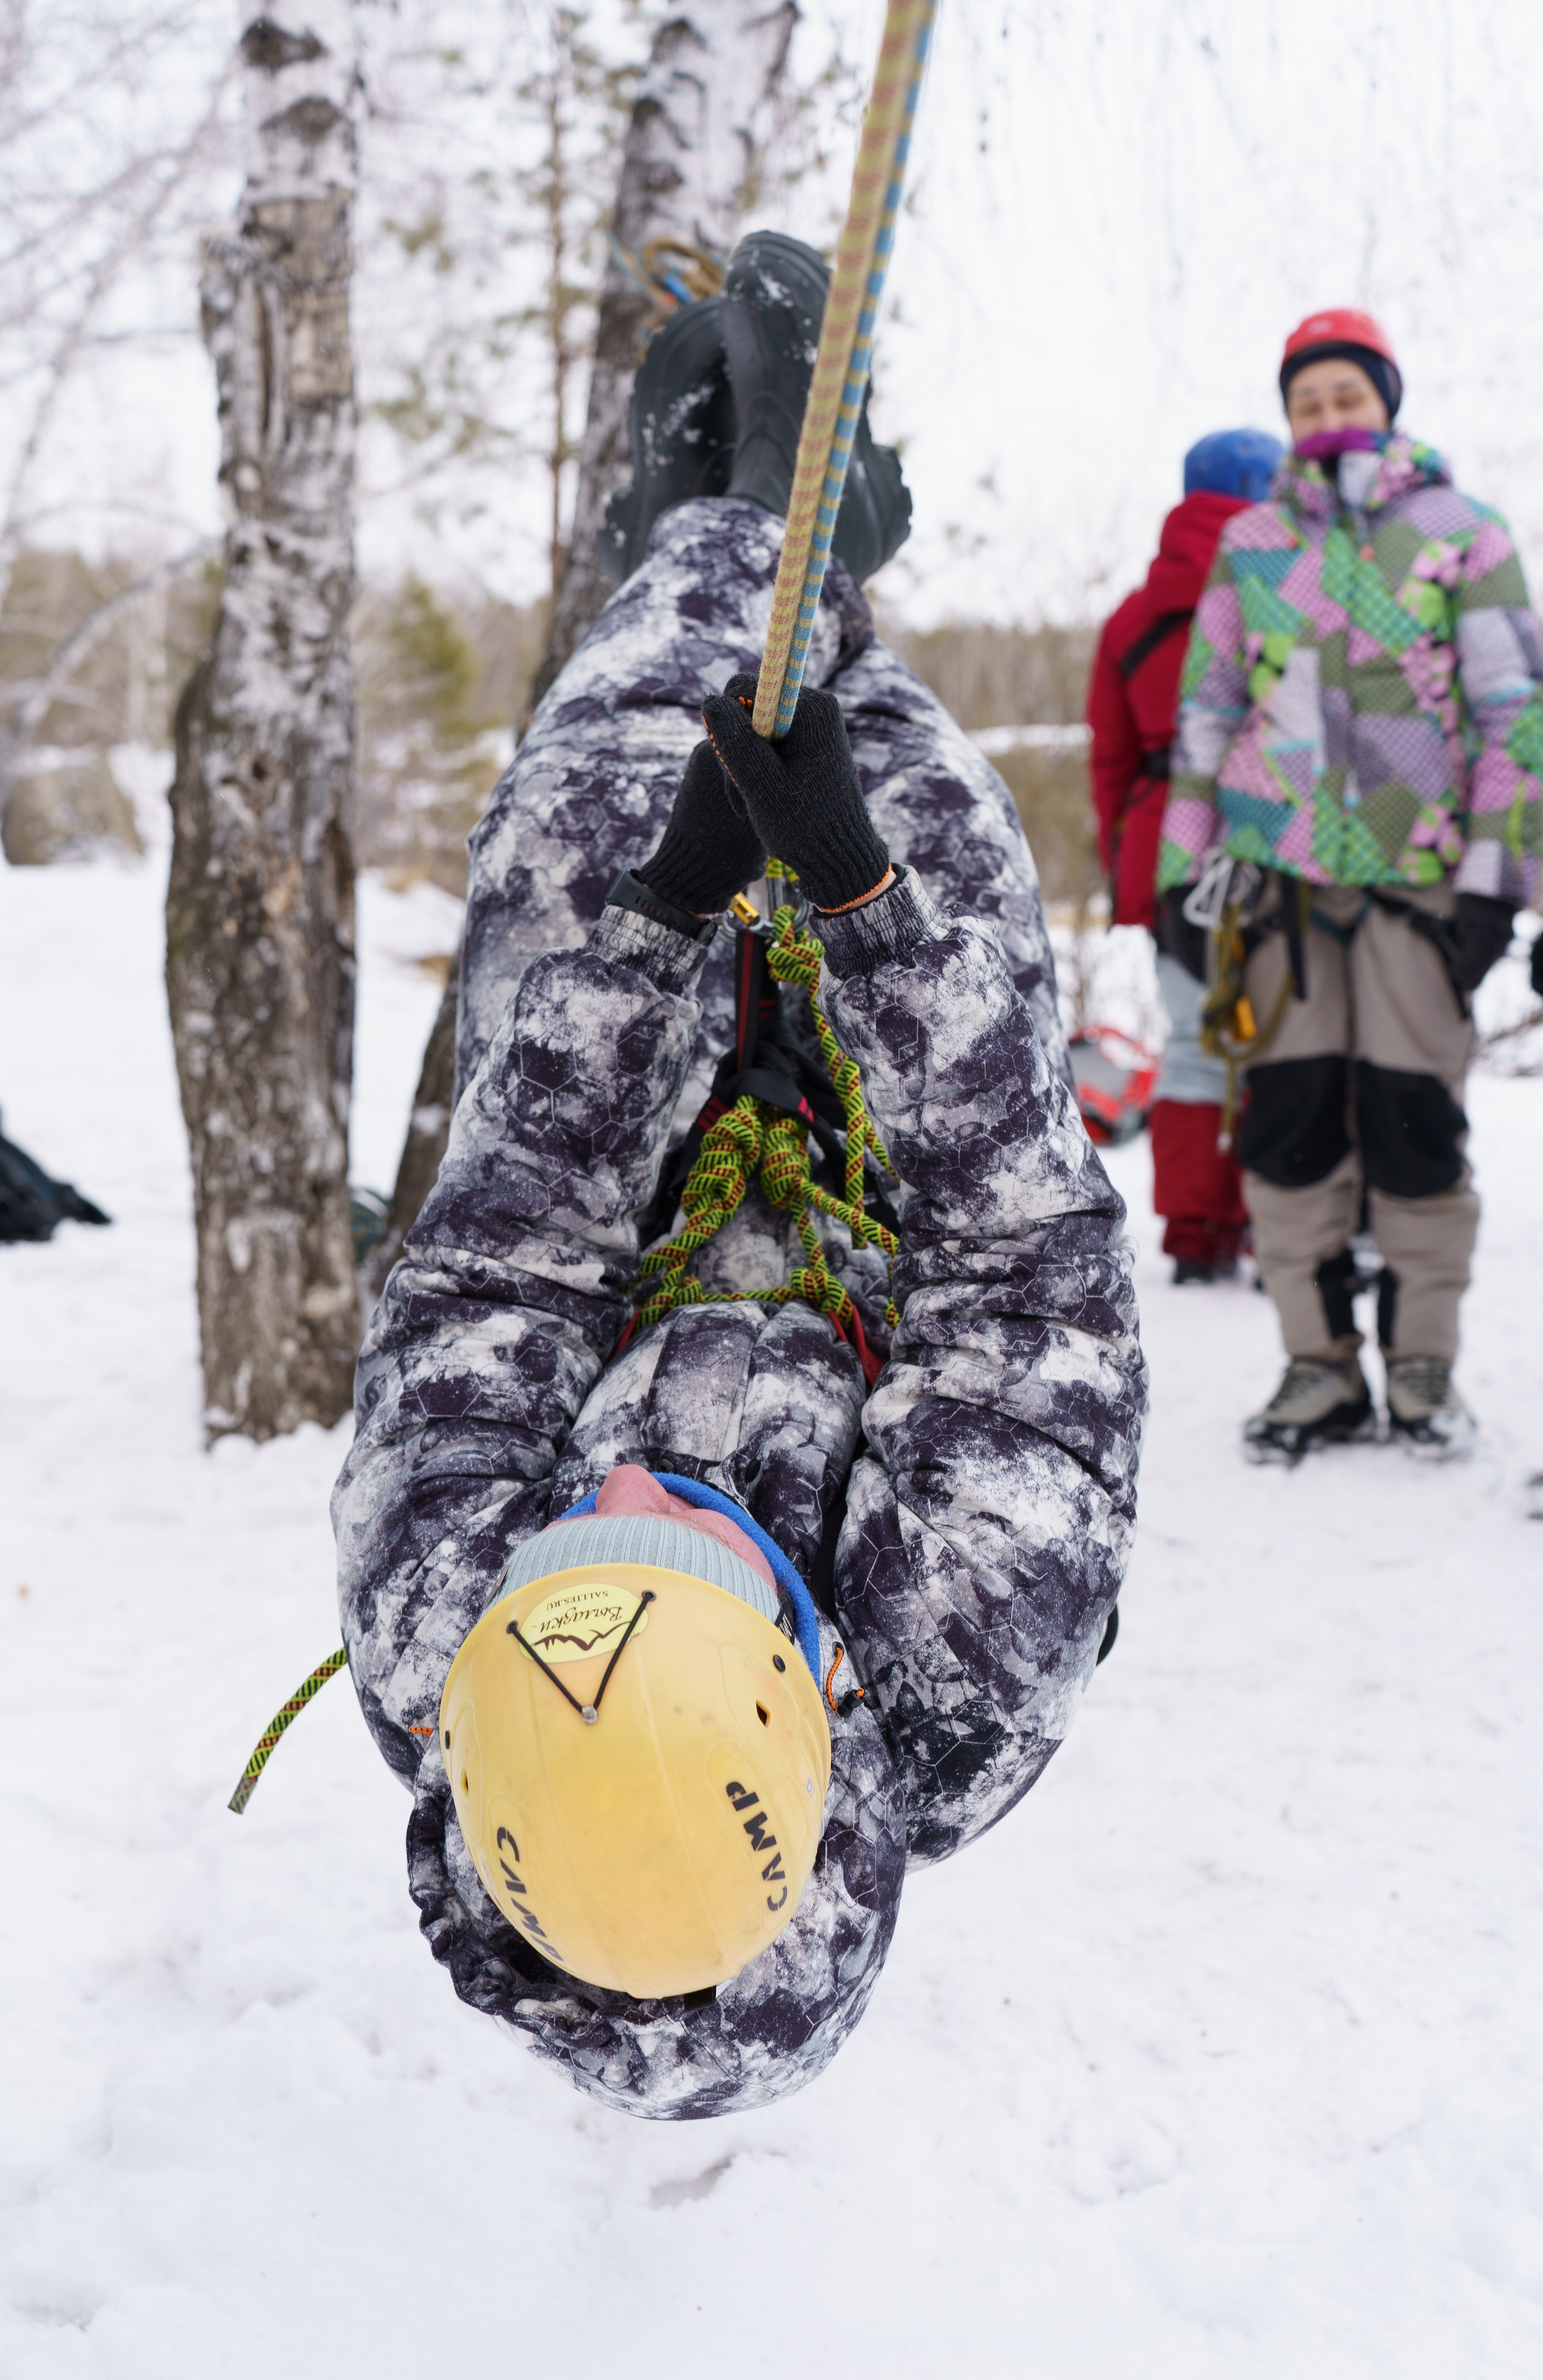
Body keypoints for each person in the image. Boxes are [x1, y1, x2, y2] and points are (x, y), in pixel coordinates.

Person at [333, 232, 1145, 2120]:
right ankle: (811, 532)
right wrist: (858, 903)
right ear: (823, 1684)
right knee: (887, 776)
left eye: (573, 1531)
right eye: (673, 1537)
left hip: (629, 1174)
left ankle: (713, 532)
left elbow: (509, 1257)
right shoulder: (966, 1662)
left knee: (597, 789)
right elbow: (1022, 1265)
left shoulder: (433, 1630)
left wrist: (662, 922)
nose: (616, 1481)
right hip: (902, 1169)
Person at [1157, 309, 1541, 1461]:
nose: (1328, 416)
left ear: (1386, 397)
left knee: (1417, 1127)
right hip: (1280, 889)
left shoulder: (1462, 533)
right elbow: (1209, 708)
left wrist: (1494, 884)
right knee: (1289, 1128)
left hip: (1422, 890)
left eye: (1347, 394)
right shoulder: (1256, 541)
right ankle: (1317, 1367)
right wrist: (1186, 873)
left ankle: (1421, 1366)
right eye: (1306, 399)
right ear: (1289, 416)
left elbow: (1513, 712)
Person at [1087, 428, 1283, 1282]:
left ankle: (1197, 1232)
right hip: (1272, 829)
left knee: (1198, 1042)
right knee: (1285, 1034)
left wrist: (1125, 861)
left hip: (1167, 841)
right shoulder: (1278, 588)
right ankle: (1284, 1226)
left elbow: (1112, 760)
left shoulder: (1135, 614)